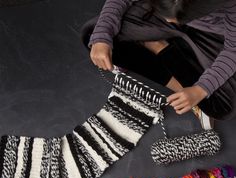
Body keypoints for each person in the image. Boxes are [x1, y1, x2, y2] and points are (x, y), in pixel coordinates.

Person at [81, 0, 236, 129]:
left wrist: (200, 89)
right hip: (156, 12)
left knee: (223, 107)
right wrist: (103, 35)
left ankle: (156, 45)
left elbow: (232, 51)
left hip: (218, 34)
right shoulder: (167, 14)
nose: (170, 21)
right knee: (94, 35)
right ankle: (160, 50)